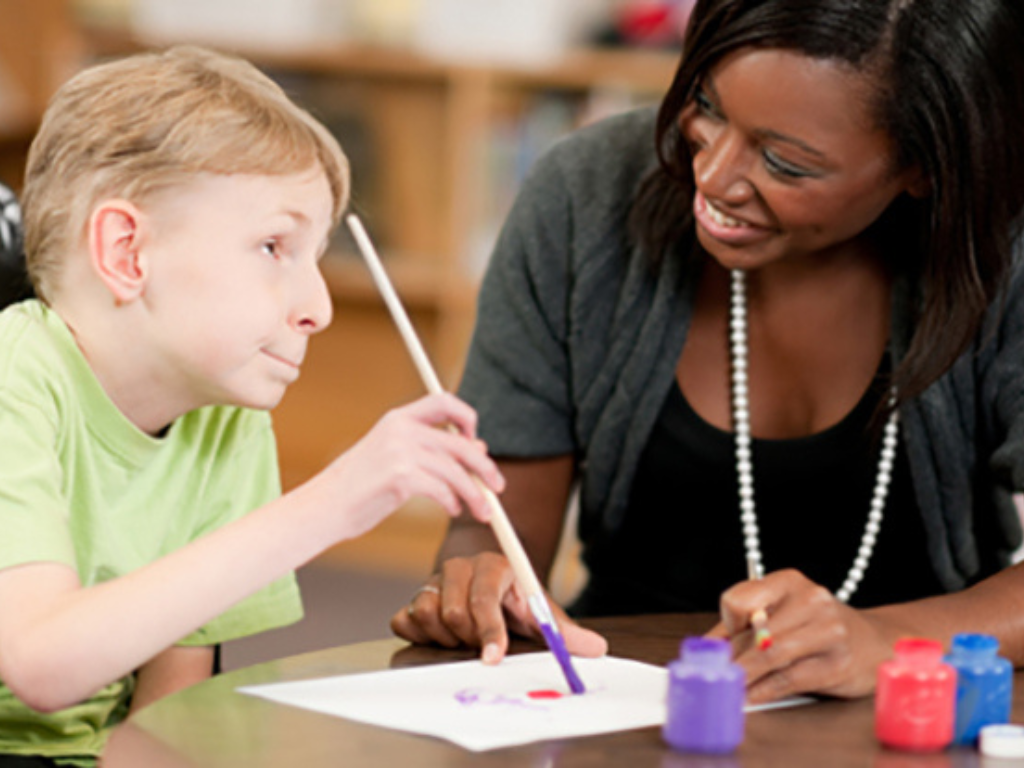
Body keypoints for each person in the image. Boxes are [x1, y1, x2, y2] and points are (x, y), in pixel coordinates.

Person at [392, 0, 1024, 705]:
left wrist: (886, 641)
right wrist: (478, 582)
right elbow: (493, 529)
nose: (713, 178)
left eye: (785, 162)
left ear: (925, 168)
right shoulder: (585, 194)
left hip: (914, 710)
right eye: (705, 103)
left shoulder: (1007, 250)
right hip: (623, 701)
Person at [0, 46, 504, 767]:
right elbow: (40, 664)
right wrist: (333, 501)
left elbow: (163, 721)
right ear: (126, 252)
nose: (319, 308)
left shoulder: (229, 421)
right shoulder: (14, 379)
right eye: (274, 246)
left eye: (317, 256)